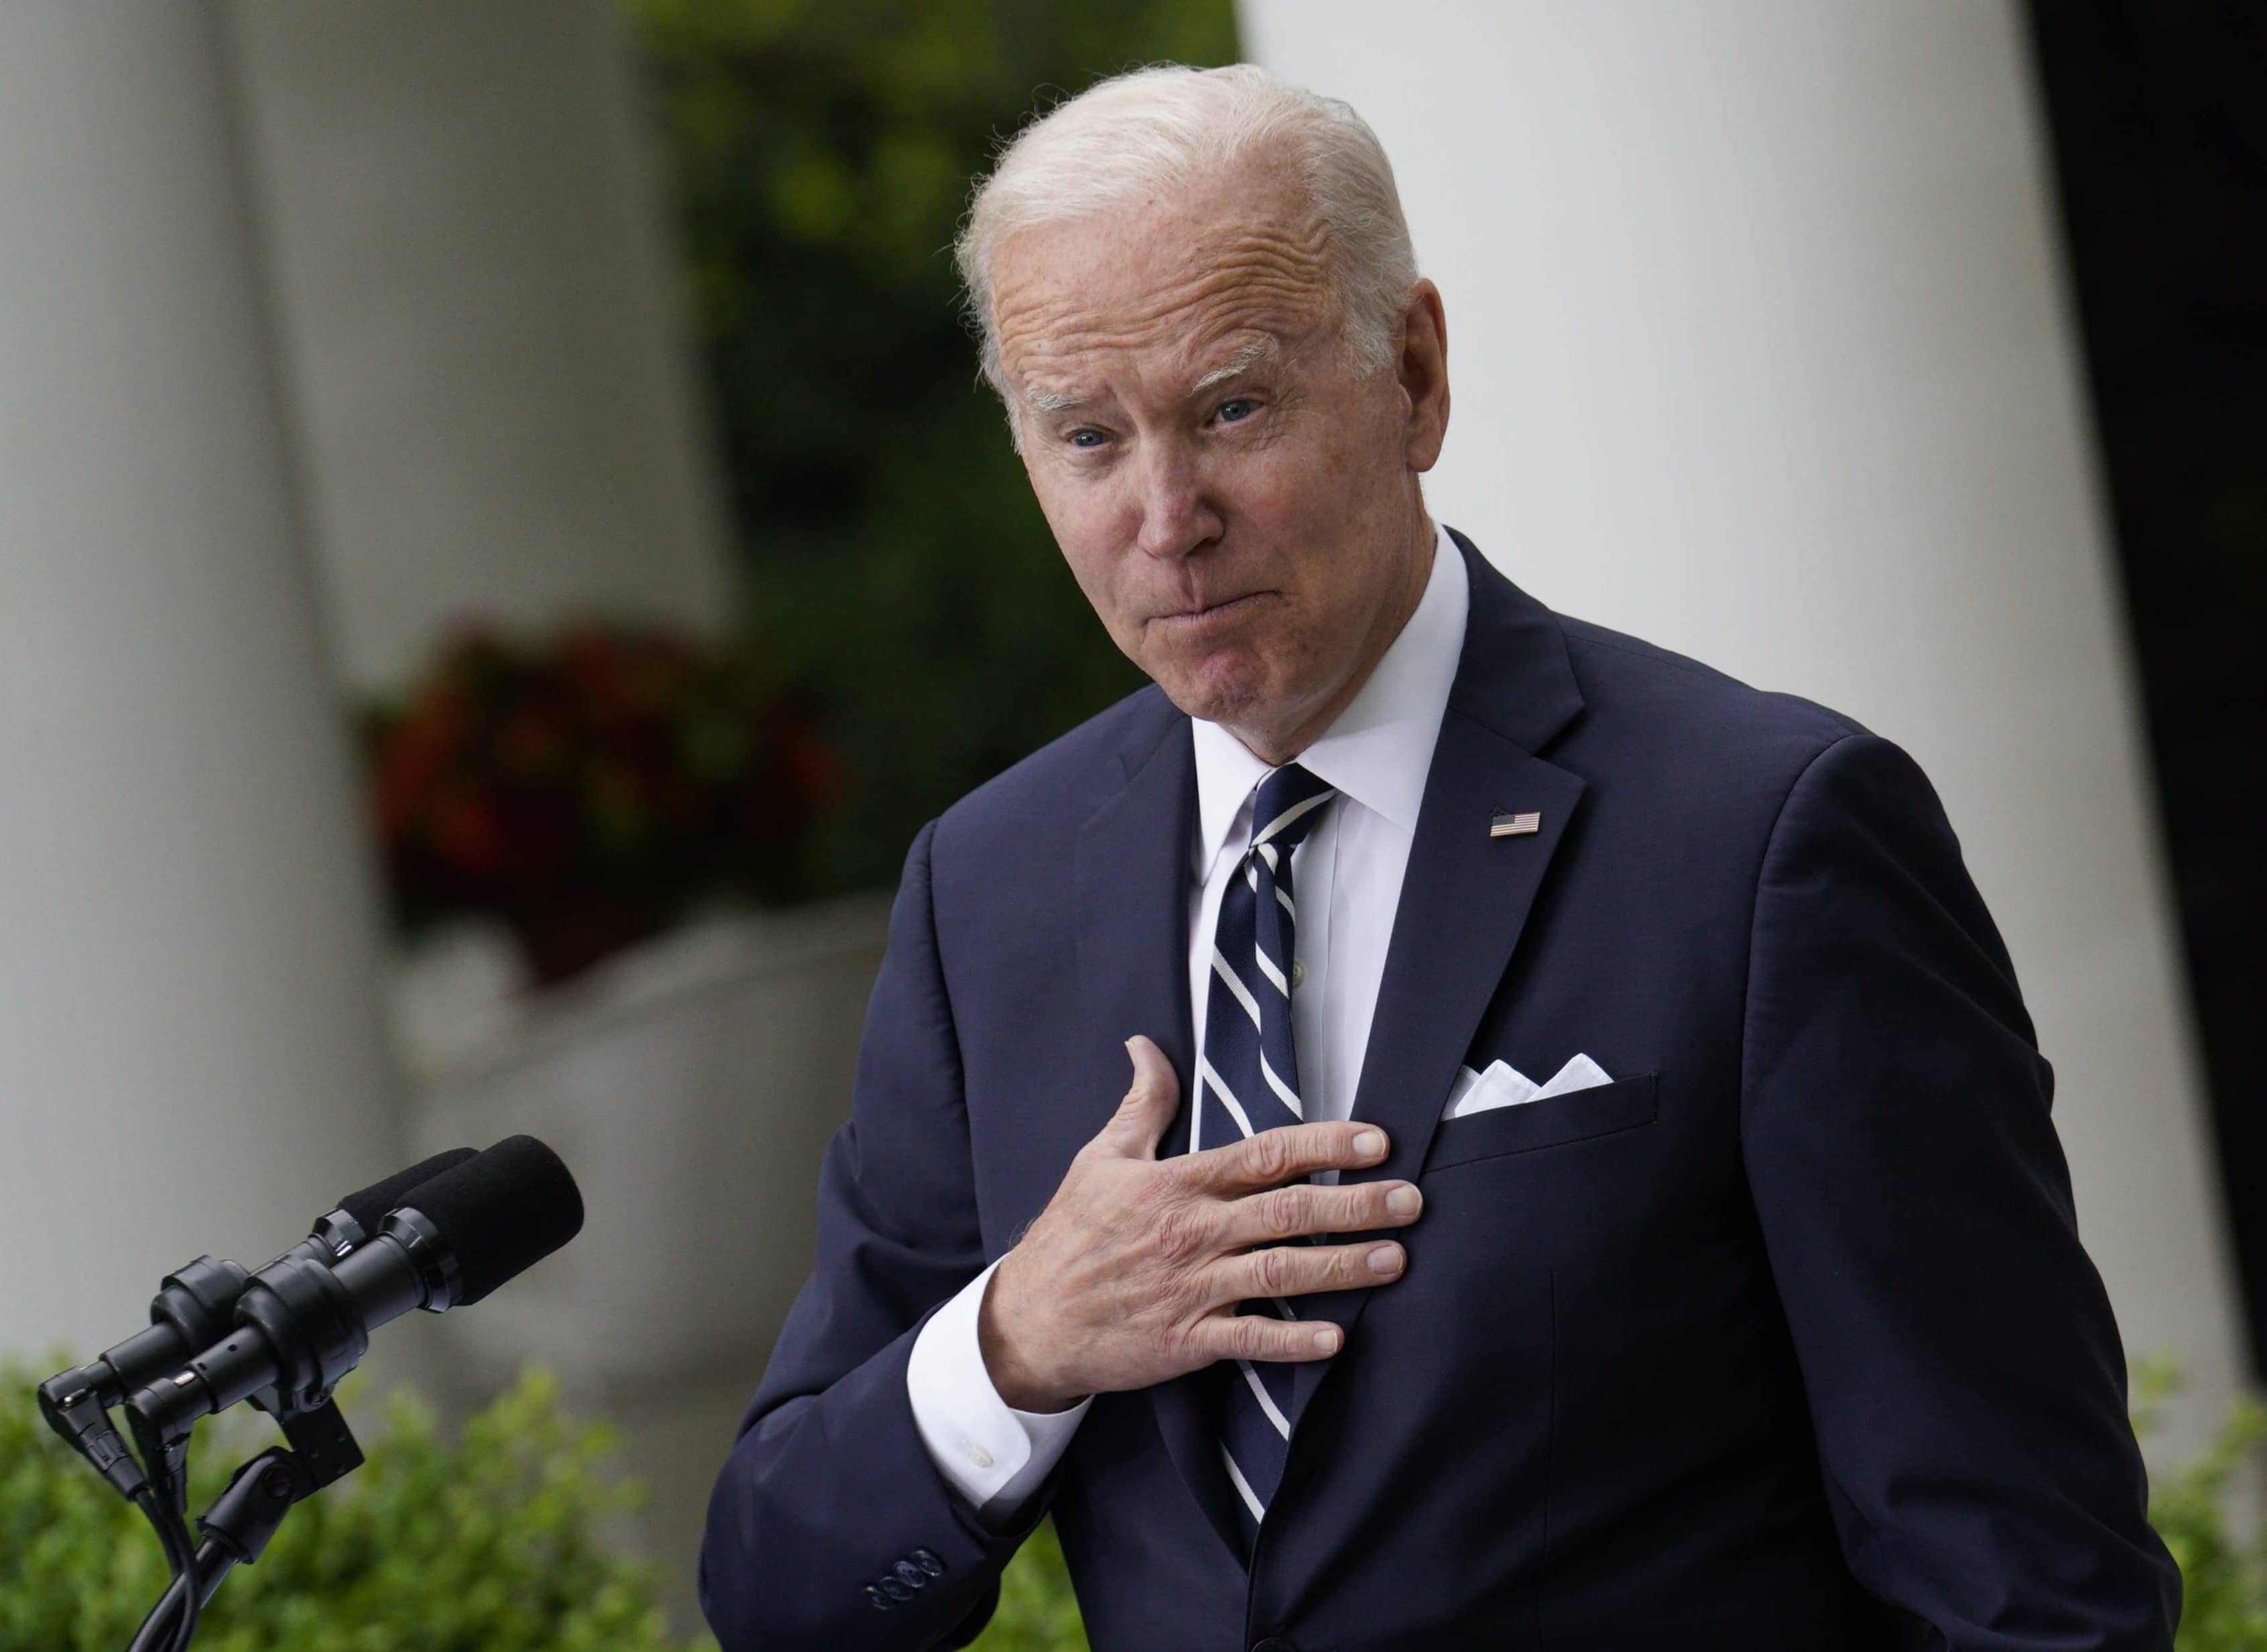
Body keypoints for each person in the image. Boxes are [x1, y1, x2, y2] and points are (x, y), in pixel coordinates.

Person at [699, 63, 2177, 1651]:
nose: (1164, 514)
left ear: (1411, 372)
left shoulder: (1763, 835)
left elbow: (2029, 1583)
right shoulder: (981, 893)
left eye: (1231, 409)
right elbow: (784, 1595)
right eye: (1085, 437)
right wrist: (1014, 1345)